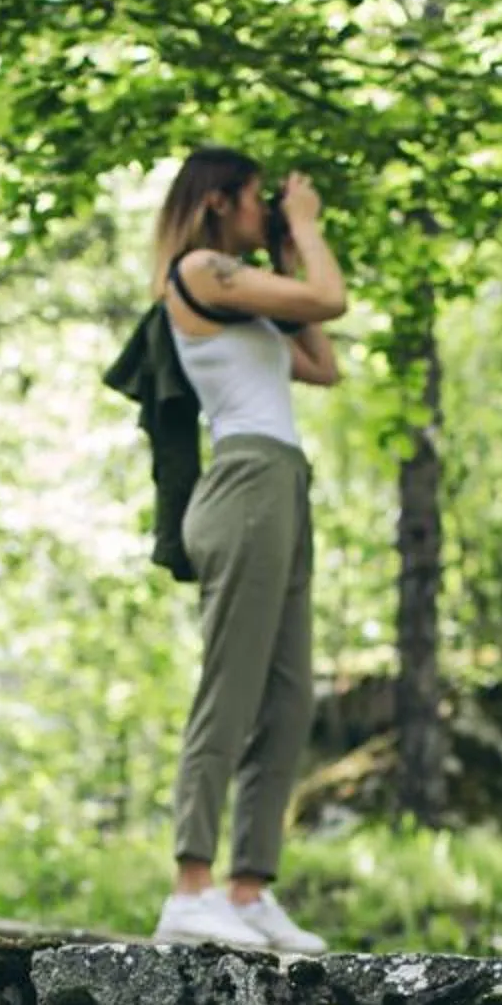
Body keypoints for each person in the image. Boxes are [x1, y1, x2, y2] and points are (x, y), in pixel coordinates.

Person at [149, 144, 346, 952]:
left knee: (289, 695)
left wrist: (285, 249)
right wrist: (303, 230)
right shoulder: (198, 272)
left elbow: (322, 365)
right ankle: (189, 887)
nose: (269, 208)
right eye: (260, 198)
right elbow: (330, 299)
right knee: (230, 688)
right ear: (222, 199)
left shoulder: (247, 296)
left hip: (284, 482)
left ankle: (249, 888)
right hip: (244, 484)